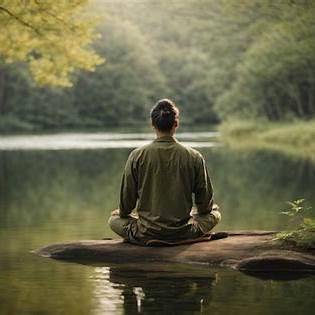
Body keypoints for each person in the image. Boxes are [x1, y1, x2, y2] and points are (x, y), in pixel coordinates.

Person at [108, 99, 221, 245]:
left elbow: (127, 202)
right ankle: (179, 237)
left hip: (146, 232)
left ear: (152, 124)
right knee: (215, 213)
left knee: (113, 220)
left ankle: (150, 238)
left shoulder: (137, 155)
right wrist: (201, 212)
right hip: (184, 232)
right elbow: (205, 205)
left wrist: (122, 213)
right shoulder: (194, 156)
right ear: (176, 124)